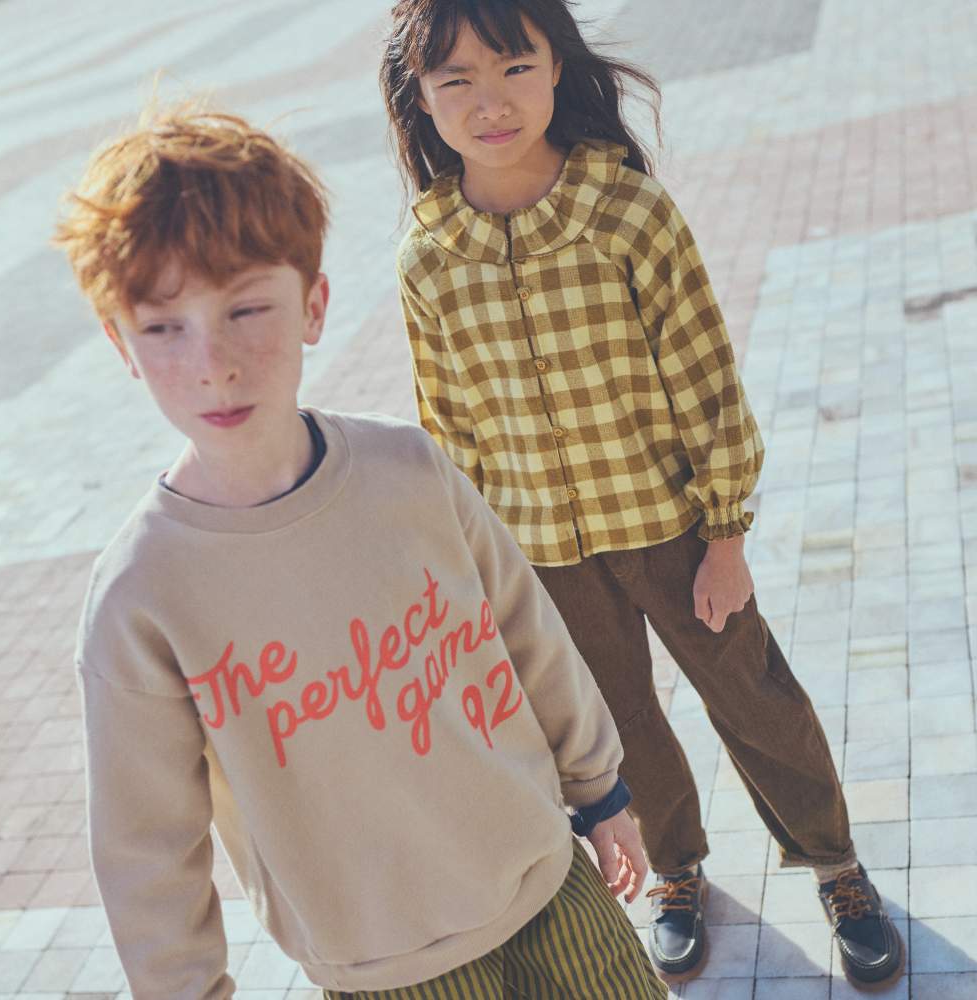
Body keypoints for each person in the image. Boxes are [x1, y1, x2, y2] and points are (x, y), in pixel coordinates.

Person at [54, 105, 667, 1000]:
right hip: (384, 972)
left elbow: (526, 627)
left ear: (314, 305)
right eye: (163, 328)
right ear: (120, 344)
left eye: (246, 308)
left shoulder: (407, 468)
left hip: (547, 884)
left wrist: (601, 789)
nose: (213, 361)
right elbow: (147, 848)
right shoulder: (140, 596)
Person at [381, 0, 902, 989]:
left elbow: (705, 381)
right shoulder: (427, 257)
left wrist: (726, 533)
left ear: (555, 68)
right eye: (456, 81)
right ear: (422, 100)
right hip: (541, 550)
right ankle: (677, 871)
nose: (488, 101)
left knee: (752, 694)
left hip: (670, 527)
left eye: (512, 68)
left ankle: (835, 864)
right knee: (615, 720)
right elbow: (446, 431)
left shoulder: (626, 212)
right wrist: (475, 573)